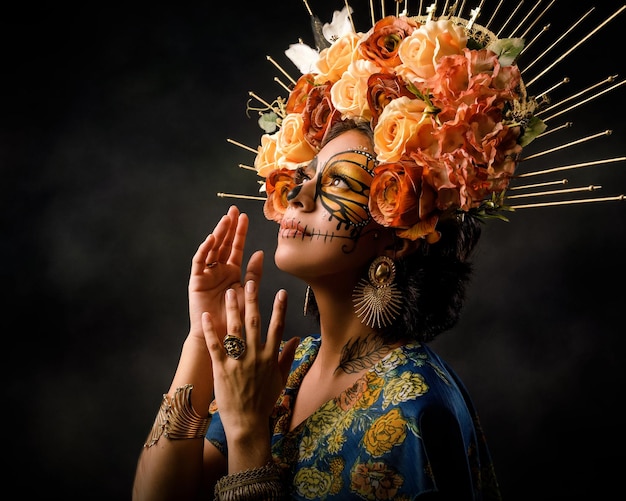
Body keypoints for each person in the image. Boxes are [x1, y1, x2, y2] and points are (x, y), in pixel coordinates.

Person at [133, 3, 623, 500]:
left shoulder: (414, 403)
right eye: (305, 178)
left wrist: (246, 436)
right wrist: (203, 338)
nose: (299, 198)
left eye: (339, 184)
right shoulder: (283, 368)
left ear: (399, 231)